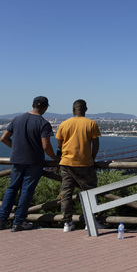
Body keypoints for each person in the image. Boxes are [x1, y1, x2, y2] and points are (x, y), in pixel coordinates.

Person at [0, 96, 58, 232]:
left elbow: (3, 138)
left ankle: (1, 220)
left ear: (33, 105)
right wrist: (55, 158)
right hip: (34, 161)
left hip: (16, 159)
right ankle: (18, 222)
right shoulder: (43, 123)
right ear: (44, 107)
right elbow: (46, 146)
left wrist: (16, 148)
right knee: (26, 191)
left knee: (12, 189)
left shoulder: (17, 119)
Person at [56, 99, 102, 232]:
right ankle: (90, 222)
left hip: (66, 164)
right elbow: (96, 144)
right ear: (86, 109)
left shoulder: (64, 124)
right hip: (85, 163)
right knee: (90, 193)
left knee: (66, 193)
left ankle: (67, 223)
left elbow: (59, 144)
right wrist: (92, 158)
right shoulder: (91, 124)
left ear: (73, 109)